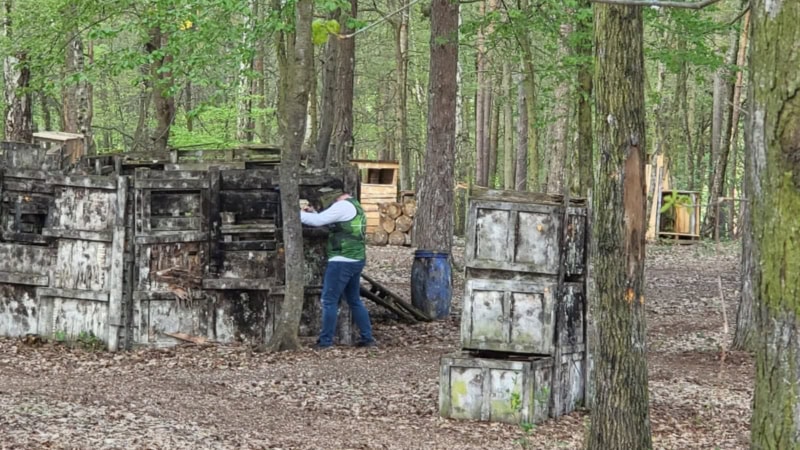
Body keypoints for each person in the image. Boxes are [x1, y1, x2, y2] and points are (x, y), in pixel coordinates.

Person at [300, 188, 376, 349]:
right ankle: (367, 338)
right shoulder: (355, 205)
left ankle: (325, 341)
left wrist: (294, 213)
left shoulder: (341, 206)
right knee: (354, 300)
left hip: (342, 260)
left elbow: (318, 221)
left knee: (329, 300)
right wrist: (313, 213)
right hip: (356, 259)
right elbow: (328, 220)